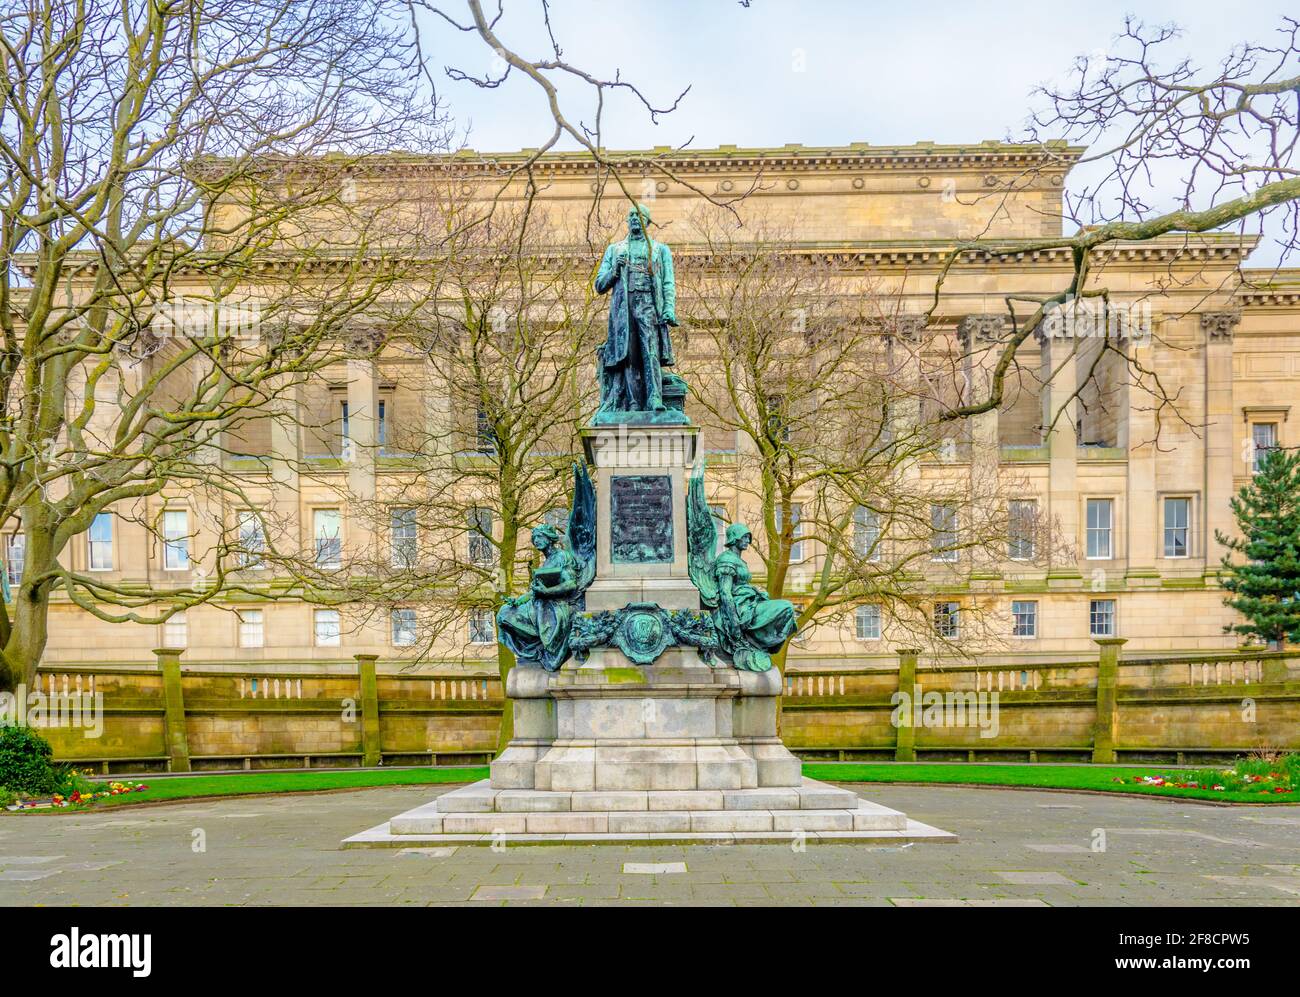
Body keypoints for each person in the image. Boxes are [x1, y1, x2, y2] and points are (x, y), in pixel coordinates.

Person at [593, 203, 678, 415]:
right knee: (628, 355)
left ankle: (654, 397)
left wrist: (669, 308)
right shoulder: (615, 250)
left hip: (649, 305)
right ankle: (632, 402)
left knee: (650, 352)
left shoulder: (660, 250)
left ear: (647, 222)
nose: (633, 218)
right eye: (630, 215)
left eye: (638, 215)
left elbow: (668, 282)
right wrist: (614, 270)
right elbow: (599, 285)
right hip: (624, 309)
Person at [710, 523, 798, 672]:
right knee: (786, 607)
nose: (747, 541)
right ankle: (758, 641)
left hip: (749, 601)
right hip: (740, 608)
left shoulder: (738, 560)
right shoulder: (726, 560)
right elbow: (725, 592)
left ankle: (759, 643)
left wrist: (756, 591)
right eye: (744, 537)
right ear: (734, 538)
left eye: (748, 538)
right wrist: (734, 621)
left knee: (787, 611)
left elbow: (740, 585)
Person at [495, 525, 580, 672]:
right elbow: (533, 592)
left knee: (506, 615)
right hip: (539, 603)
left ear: (549, 538)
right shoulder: (546, 562)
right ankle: (533, 650)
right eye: (534, 538)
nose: (536, 541)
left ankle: (537, 649)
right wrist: (518, 601)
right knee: (504, 614)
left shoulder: (562, 556)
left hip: (555, 605)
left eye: (540, 537)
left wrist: (547, 592)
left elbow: (571, 584)